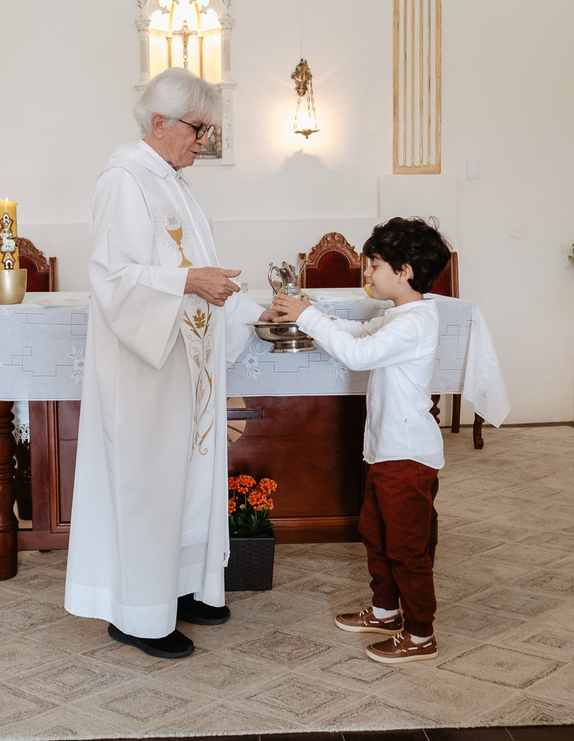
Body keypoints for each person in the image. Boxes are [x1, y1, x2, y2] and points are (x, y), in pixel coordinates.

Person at [64, 67, 278, 659]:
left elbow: (203, 275)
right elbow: (113, 278)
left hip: (186, 367)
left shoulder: (176, 184)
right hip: (144, 370)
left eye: (208, 129)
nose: (204, 140)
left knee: (185, 481)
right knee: (148, 485)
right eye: (197, 128)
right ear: (158, 123)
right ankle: (138, 614)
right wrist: (188, 282)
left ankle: (182, 588)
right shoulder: (124, 180)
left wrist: (253, 311)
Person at [272, 217, 450, 664]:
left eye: (374, 264)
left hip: (407, 455)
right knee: (375, 532)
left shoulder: (416, 322)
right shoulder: (401, 316)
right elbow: (358, 334)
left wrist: (308, 316)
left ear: (404, 271)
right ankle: (386, 610)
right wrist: (307, 315)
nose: (366, 272)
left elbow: (358, 354)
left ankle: (421, 633)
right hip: (386, 451)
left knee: (406, 548)